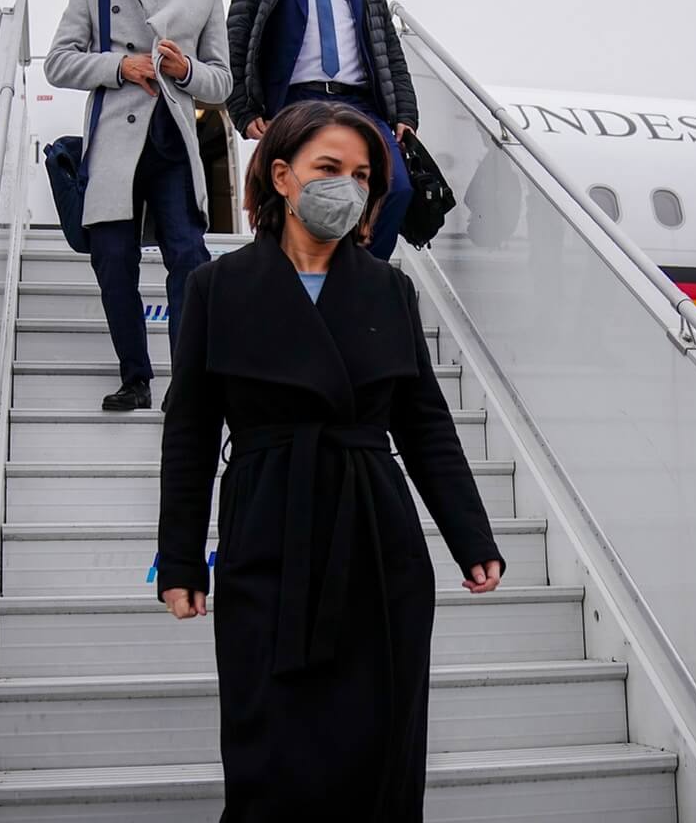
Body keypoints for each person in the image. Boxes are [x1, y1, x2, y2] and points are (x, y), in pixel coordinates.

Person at [156, 101, 506, 820]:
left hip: (377, 539)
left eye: (362, 174)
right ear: (282, 176)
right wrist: (181, 560)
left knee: (379, 752)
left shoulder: (390, 289)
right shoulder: (216, 287)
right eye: (328, 168)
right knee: (269, 749)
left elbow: (425, 424)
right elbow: (190, 430)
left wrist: (472, 539)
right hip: (267, 532)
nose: (346, 185)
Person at [43, 0, 231, 411]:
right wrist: (121, 66)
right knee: (112, 260)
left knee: (189, 257)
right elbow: (57, 63)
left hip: (173, 145)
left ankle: (187, 383)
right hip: (113, 150)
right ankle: (135, 378)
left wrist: (185, 69)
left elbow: (222, 82)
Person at [226, 0, 420, 260]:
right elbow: (237, 43)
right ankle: (294, 278)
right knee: (297, 195)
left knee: (395, 187)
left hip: (359, 102)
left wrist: (405, 112)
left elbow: (388, 47)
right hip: (297, 101)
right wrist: (243, 111)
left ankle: (363, 274)